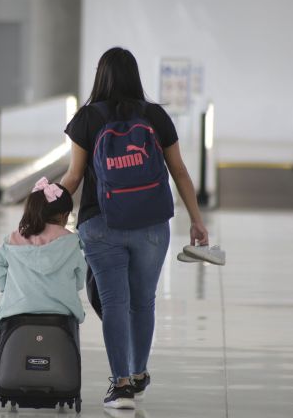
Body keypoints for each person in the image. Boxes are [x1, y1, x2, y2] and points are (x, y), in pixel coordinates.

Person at [60, 47, 209, 410]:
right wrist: (196, 220)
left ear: (101, 76)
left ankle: (121, 386)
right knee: (143, 302)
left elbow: (74, 177)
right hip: (151, 225)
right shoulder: (155, 116)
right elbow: (181, 172)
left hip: (100, 223)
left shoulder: (87, 118)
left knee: (114, 303)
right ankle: (139, 373)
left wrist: (43, 214)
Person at [0, 177, 87, 328]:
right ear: (64, 215)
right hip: (62, 312)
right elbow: (80, 277)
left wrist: (7, 287)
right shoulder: (71, 242)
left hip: (16, 311)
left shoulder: (12, 240)